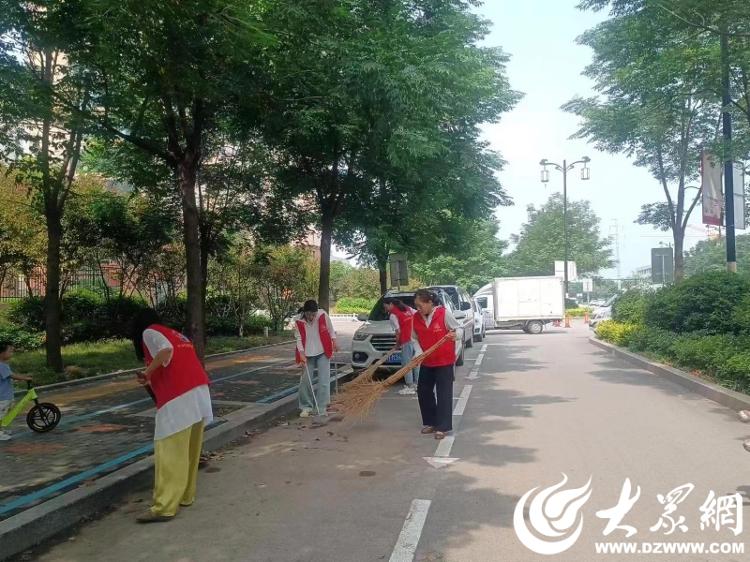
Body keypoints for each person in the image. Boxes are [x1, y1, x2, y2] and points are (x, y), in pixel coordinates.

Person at [130, 309, 213, 523]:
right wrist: (152, 376)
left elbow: (166, 352)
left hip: (179, 396)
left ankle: (163, 507)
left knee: (169, 451)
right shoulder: (176, 334)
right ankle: (186, 495)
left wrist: (147, 373)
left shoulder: (149, 332)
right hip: (199, 391)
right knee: (190, 449)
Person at [411, 289, 458, 440]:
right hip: (427, 361)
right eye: (416, 306)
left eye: (420, 305)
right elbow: (414, 338)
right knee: (423, 391)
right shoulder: (416, 318)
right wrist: (418, 353)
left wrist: (454, 335)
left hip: (444, 361)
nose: (418, 308)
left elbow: (459, 329)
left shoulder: (444, 314)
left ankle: (442, 427)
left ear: (430, 302)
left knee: (444, 393)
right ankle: (431, 422)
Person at [294, 299, 337, 417]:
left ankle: (321, 407)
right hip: (307, 353)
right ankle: (306, 407)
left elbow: (331, 330)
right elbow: (298, 338)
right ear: (304, 312)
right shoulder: (298, 320)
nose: (311, 317)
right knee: (305, 381)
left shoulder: (322, 314)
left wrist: (335, 342)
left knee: (324, 380)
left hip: (322, 350)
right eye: (309, 314)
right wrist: (301, 353)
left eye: (313, 314)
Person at [385, 298, 419, 396]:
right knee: (415, 362)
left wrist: (397, 344)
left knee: (406, 363)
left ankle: (410, 386)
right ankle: (417, 384)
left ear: (391, 304)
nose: (386, 308)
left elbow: (398, 332)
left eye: (386, 306)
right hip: (415, 338)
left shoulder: (393, 315)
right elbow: (417, 314)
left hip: (407, 340)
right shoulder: (408, 309)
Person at [0, 342, 32, 441]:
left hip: (7, 395)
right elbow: (12, 376)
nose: (12, 353)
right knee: (1, 415)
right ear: (1, 353)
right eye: (10, 351)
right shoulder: (1, 365)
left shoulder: (4, 365)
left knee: (6, 414)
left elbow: (10, 376)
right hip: (2, 397)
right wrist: (25, 378)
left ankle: (3, 429)